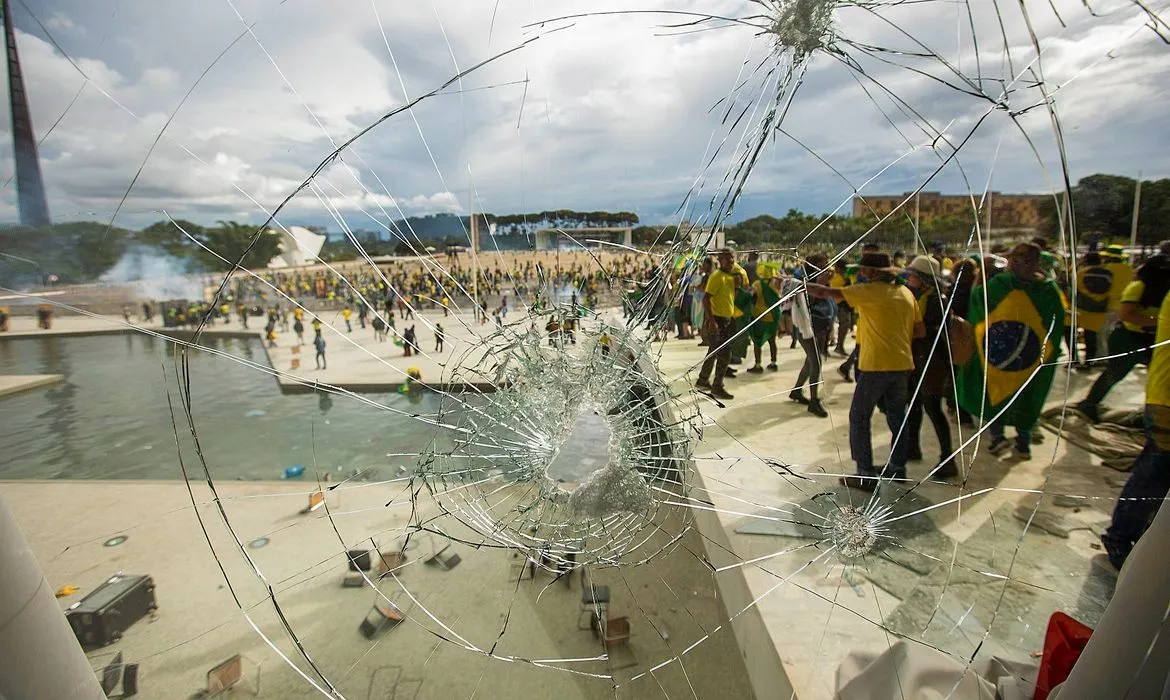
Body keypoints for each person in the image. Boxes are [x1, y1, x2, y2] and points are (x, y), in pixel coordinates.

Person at [808, 250, 923, 488]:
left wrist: (794, 284)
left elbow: (824, 292)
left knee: (859, 417)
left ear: (872, 272)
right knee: (897, 418)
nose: (860, 272)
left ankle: (865, 475)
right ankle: (897, 468)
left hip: (875, 365)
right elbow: (920, 331)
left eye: (862, 269)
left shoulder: (869, 291)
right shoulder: (905, 293)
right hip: (902, 364)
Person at [958, 243, 1065, 460]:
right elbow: (1056, 322)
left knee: (995, 391)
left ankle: (998, 438)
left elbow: (978, 304)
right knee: (1027, 394)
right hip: (1031, 357)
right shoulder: (1048, 289)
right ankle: (1023, 443)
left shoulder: (999, 285)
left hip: (998, 354)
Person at [1099, 288, 1170, 569]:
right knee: (1155, 471)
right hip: (1166, 399)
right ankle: (1121, 536)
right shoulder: (1140, 287)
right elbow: (1128, 313)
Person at [1074, 254, 1170, 423]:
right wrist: (1160, 322)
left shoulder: (1165, 290)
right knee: (1114, 373)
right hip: (1128, 339)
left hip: (1152, 339)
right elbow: (1126, 315)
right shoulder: (1139, 287)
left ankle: (1155, 415)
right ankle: (1089, 404)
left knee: (1159, 378)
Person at [901, 256, 957, 478]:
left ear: (923, 279)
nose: (909, 278)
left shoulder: (935, 300)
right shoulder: (925, 296)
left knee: (933, 408)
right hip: (921, 360)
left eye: (913, 275)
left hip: (932, 362)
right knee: (914, 405)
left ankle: (947, 458)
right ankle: (913, 447)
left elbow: (928, 334)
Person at [788, 257, 832, 417]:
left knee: (810, 361)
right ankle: (814, 401)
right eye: (822, 267)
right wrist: (820, 283)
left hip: (819, 327)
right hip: (807, 328)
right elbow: (806, 302)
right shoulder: (803, 282)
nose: (826, 269)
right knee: (816, 362)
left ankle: (797, 391)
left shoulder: (820, 280)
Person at [695, 248, 742, 401]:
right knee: (724, 354)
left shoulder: (730, 277)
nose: (730, 263)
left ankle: (703, 380)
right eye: (727, 260)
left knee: (714, 351)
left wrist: (736, 286)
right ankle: (717, 386)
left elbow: (730, 298)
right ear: (719, 261)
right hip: (718, 320)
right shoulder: (717, 276)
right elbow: (706, 298)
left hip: (726, 319)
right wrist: (711, 321)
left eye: (732, 260)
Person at [1073, 251, 1111, 371]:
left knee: (1071, 333)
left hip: (1081, 309)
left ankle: (1075, 360)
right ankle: (1089, 362)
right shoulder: (1109, 273)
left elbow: (1074, 290)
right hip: (1099, 310)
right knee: (1091, 337)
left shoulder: (1080, 273)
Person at [746, 266, 781, 374]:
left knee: (757, 341)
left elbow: (751, 297)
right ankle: (773, 363)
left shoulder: (757, 284)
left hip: (760, 315)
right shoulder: (776, 284)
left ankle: (758, 365)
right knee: (772, 341)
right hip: (773, 316)